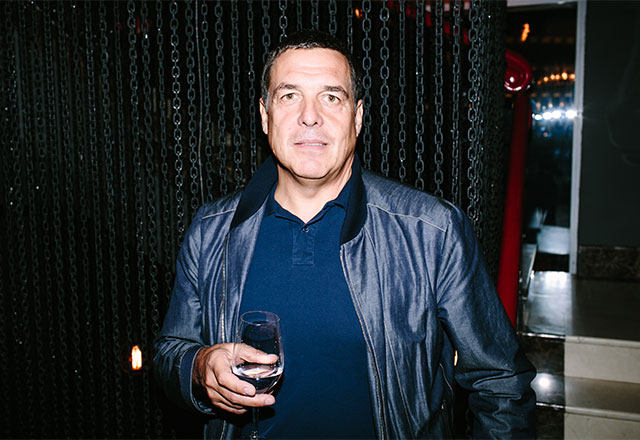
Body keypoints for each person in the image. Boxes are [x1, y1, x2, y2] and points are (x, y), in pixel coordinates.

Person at [154, 30, 536, 439]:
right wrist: (199, 367)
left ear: (357, 116)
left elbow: (500, 383)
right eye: (289, 96)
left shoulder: (431, 232)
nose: (310, 116)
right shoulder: (211, 230)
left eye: (331, 97)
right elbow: (170, 351)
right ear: (265, 116)